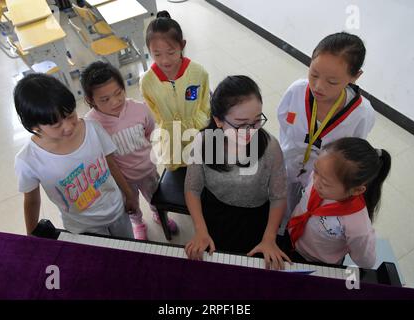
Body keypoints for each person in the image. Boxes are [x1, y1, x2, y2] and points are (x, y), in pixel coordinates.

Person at [184, 75, 290, 270]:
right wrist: (200, 229)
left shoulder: (270, 147)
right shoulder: (203, 142)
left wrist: (269, 238)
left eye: (257, 121)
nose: (251, 131)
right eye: (241, 124)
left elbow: (278, 195)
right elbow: (192, 187)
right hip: (215, 212)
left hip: (255, 217)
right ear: (218, 120)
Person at [277, 32, 376, 234]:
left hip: (323, 184)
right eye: (313, 74)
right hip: (286, 169)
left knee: (306, 226)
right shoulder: (297, 91)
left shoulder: (361, 114)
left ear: (355, 77)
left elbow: (350, 155)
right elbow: (284, 123)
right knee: (279, 215)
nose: (318, 86)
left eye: (332, 82)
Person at [14, 74, 135, 238]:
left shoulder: (92, 128)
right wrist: (31, 236)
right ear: (34, 126)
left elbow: (111, 164)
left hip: (117, 210)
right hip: (83, 229)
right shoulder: (28, 160)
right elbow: (32, 201)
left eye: (71, 115)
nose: (69, 127)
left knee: (129, 250)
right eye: (56, 125)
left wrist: (129, 194)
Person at [81, 61, 178, 240]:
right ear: (90, 100)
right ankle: (138, 223)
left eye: (119, 93)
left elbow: (150, 132)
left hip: (148, 170)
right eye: (105, 99)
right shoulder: (91, 124)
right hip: (122, 179)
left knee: (155, 197)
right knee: (130, 204)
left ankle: (159, 215)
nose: (115, 101)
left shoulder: (140, 109)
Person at [286, 137, 391, 268]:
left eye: (325, 183)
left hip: (317, 263)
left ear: (356, 190)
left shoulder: (357, 224)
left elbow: (366, 261)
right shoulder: (321, 176)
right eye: (316, 171)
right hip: (289, 240)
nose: (315, 181)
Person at [140, 10, 210, 171]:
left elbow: (205, 102)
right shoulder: (147, 81)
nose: (164, 60)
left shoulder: (198, 72)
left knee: (202, 167)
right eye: (157, 54)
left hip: (197, 131)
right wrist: (168, 123)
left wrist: (202, 120)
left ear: (182, 46)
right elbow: (154, 112)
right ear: (149, 51)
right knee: (177, 171)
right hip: (170, 138)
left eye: (171, 52)